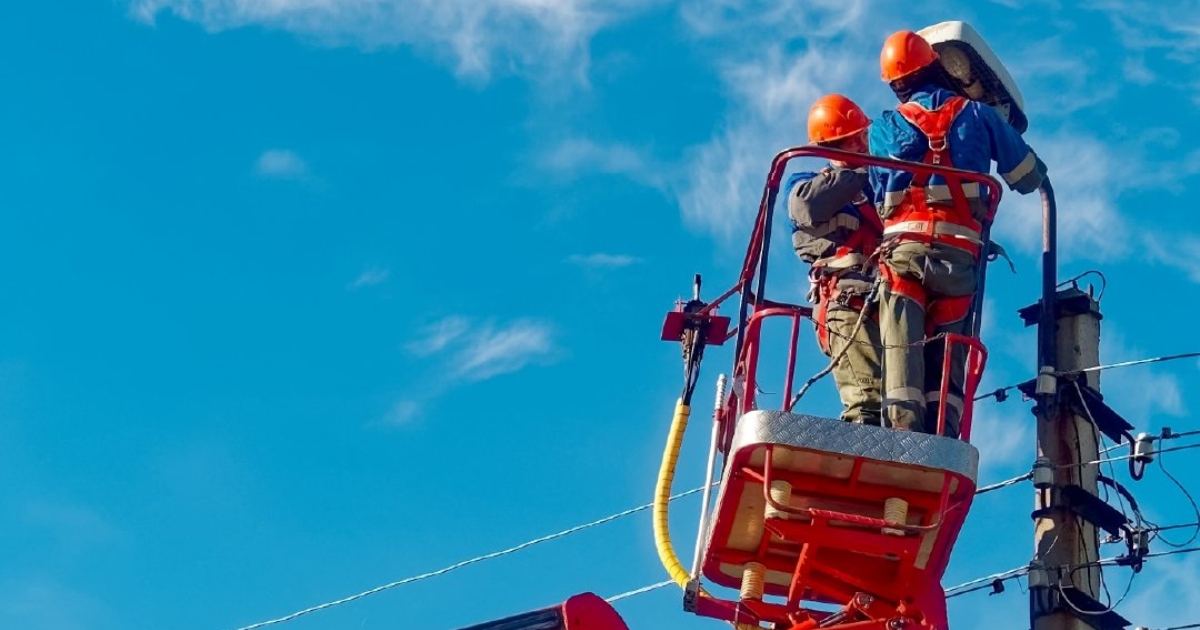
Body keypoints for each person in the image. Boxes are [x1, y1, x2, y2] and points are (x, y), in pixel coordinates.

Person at [869, 30, 1046, 437]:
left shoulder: (884, 127)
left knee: (901, 348)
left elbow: (881, 195)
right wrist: (992, 130)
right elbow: (1026, 176)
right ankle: (943, 435)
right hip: (959, 256)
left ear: (896, 85)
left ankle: (903, 433)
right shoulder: (978, 115)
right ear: (936, 66)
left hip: (904, 253)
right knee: (949, 352)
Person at [785, 94, 884, 426]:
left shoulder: (880, 186)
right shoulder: (806, 184)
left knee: (905, 404)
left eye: (863, 137)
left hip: (890, 300)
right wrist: (853, 172)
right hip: (846, 302)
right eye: (853, 140)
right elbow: (806, 208)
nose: (863, 146)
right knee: (868, 404)